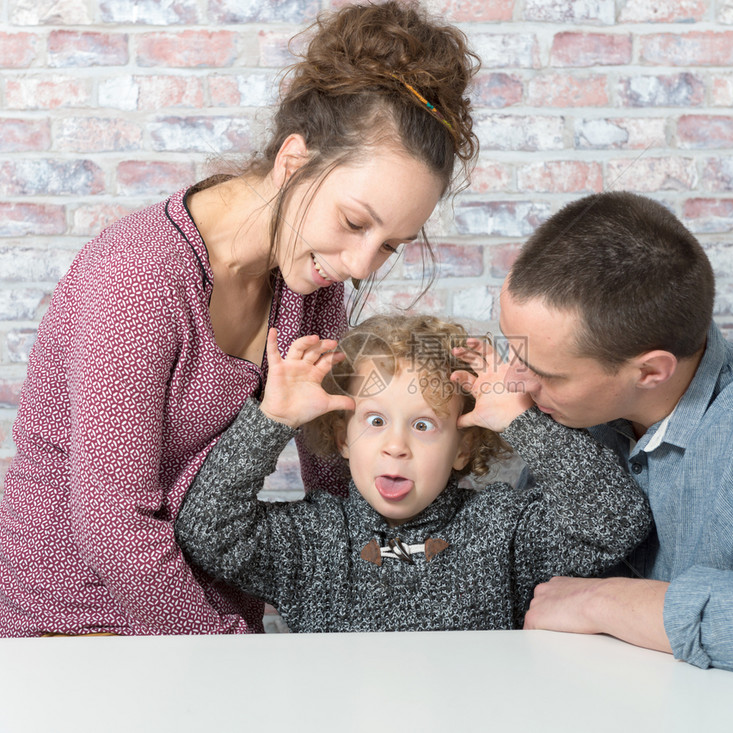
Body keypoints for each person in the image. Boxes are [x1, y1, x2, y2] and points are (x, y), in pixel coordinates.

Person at [0, 2, 480, 637]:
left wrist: (413, 562)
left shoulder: (307, 281)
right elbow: (112, 522)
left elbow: (335, 461)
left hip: (215, 608)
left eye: (391, 244)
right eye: (354, 222)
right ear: (292, 162)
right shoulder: (138, 278)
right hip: (82, 618)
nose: (363, 263)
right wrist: (230, 651)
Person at [469, 190, 733, 682]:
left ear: (650, 371)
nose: (517, 381)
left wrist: (603, 600)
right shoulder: (563, 410)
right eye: (515, 348)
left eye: (548, 372)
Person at [173, 315, 652, 632]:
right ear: (343, 438)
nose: (396, 446)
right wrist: (270, 421)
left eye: (423, 425)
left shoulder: (502, 528)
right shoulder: (309, 539)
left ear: (462, 448)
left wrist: (519, 421)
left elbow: (614, 521)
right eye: (375, 421)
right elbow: (207, 531)